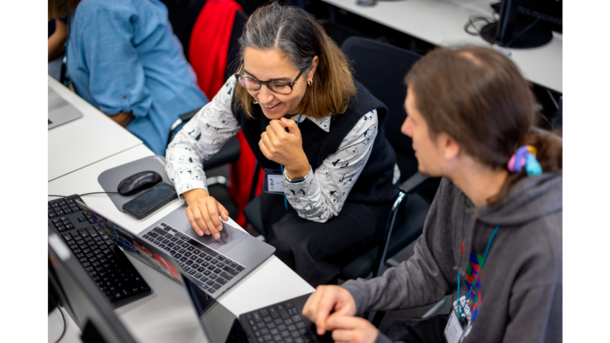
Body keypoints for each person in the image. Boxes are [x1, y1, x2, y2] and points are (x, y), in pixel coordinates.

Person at [302, 47, 563, 343]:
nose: (405, 128)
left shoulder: (546, 255)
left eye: (415, 119)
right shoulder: (466, 170)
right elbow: (432, 270)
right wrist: (356, 294)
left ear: (450, 144)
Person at [165, 2, 399, 287]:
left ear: (311, 68)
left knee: (293, 243)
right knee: (256, 232)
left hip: (362, 198)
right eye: (253, 79)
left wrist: (296, 165)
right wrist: (197, 195)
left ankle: (300, 317)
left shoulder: (358, 117)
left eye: (279, 83)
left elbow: (322, 210)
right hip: (290, 186)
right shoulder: (242, 86)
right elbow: (186, 143)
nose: (263, 98)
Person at [46, 0, 207, 155]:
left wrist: (68, 140)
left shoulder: (98, 9)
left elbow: (122, 112)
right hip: (179, 109)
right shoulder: (87, 8)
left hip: (167, 127)